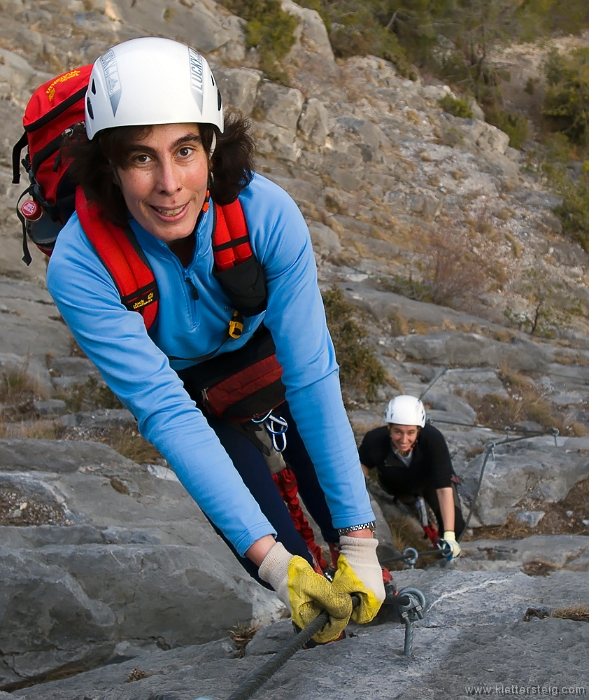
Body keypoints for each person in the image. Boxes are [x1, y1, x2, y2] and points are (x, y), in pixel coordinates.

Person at [44, 36, 384, 643]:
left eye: (185, 150)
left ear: (212, 147)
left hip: (256, 347)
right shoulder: (81, 265)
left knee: (327, 489)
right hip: (183, 383)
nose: (170, 184)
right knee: (268, 540)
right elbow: (167, 413)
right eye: (141, 158)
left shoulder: (266, 214)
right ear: (109, 166)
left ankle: (356, 562)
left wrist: (358, 540)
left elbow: (310, 371)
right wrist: (277, 567)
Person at [359, 395, 465, 558]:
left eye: (411, 433)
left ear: (419, 430)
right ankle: (413, 504)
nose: (404, 439)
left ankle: (442, 557)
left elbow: (444, 489)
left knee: (456, 526)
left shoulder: (433, 440)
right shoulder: (374, 441)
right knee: (409, 503)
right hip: (397, 485)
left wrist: (450, 536)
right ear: (389, 427)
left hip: (429, 482)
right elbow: (359, 473)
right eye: (398, 432)